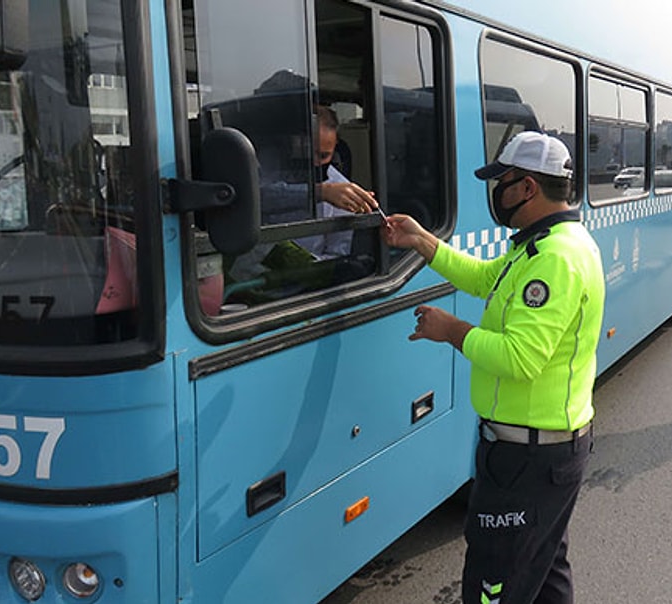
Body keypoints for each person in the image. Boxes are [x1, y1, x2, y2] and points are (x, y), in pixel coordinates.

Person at [383, 131, 605, 604]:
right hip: (540, 453)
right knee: (545, 573)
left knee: (495, 582)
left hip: (529, 461)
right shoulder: (538, 245)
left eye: (501, 182)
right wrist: (423, 240)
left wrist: (452, 330)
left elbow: (521, 359)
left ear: (526, 187)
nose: (496, 192)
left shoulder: (556, 258)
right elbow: (487, 279)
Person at [228, 105, 376, 286]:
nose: (314, 162)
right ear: (293, 142)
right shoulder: (269, 162)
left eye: (323, 156)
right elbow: (254, 197)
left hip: (299, 284)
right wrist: (318, 193)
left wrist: (302, 265)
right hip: (243, 274)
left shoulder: (342, 190)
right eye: (308, 153)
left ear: (336, 145)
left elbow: (337, 255)